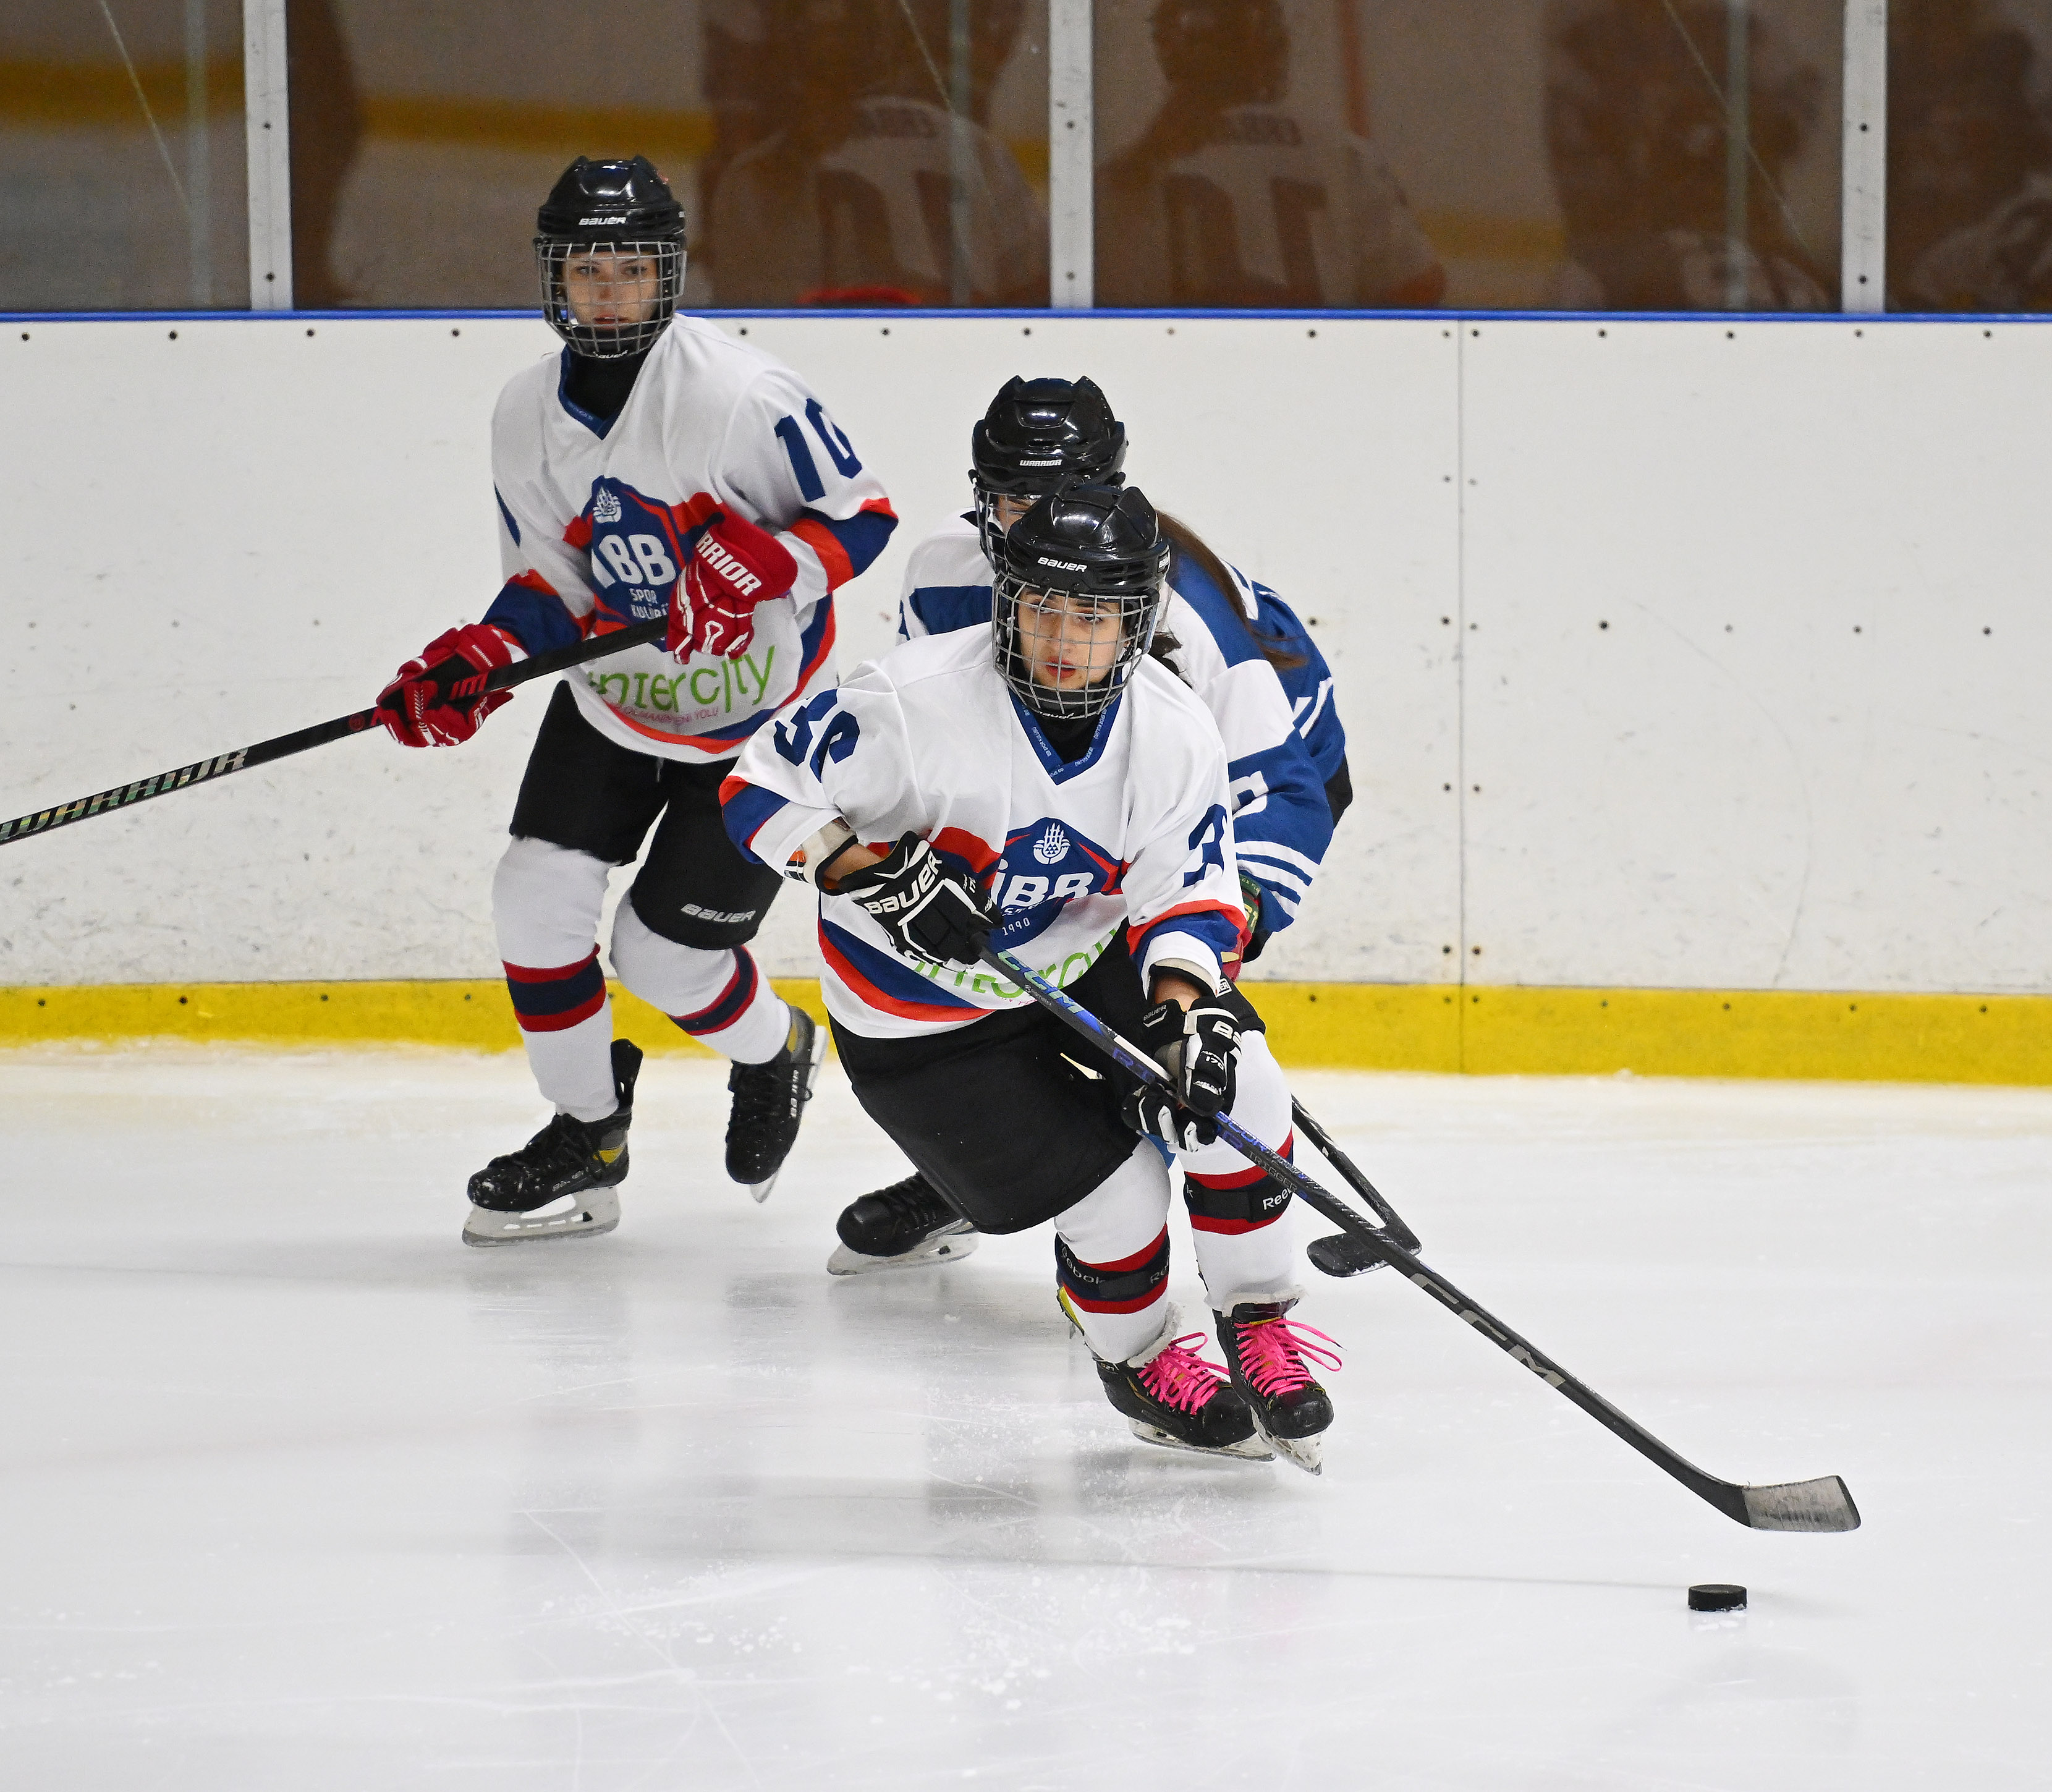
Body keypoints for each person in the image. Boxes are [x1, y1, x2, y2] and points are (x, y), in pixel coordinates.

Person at [721, 482, 1339, 1468]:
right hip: (920, 1016)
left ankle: (1256, 1314)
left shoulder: (1172, 728)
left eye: (1092, 615)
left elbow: (1190, 893)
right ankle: (1140, 1359)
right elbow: (757, 788)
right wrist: (867, 874)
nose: (1062, 635)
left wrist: (1181, 1013)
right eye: (1042, 605)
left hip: (1087, 956)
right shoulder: (909, 702)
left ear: (1138, 621)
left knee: (1240, 1084)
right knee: (1118, 1191)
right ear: (1007, 599)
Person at [376, 156, 896, 1246]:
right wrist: (482, 654)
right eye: (586, 269)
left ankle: (775, 1050)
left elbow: (864, 519)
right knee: (533, 895)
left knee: (660, 958)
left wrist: (771, 560)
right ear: (552, 278)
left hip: (758, 721)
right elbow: (554, 587)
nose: (608, 291)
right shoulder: (523, 412)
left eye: (631, 269)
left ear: (668, 276)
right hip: (614, 703)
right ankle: (587, 1132)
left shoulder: (739, 395)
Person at [834, 374, 1345, 1278]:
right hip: (1087, 806)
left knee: (1175, 1009)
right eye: (1011, 497)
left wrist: (1228, 909)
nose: (1031, 518)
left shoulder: (1178, 612)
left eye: (1059, 495)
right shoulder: (945, 569)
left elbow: (1284, 793)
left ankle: (1197, 1221)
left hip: (1276, 759)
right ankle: (991, 1164)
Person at [1096, 0, 1443, 309]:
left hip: (1187, 369)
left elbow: (1092, 297)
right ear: (1270, 48)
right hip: (1309, 369)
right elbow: (1419, 285)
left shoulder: (1129, 175)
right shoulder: (1340, 155)